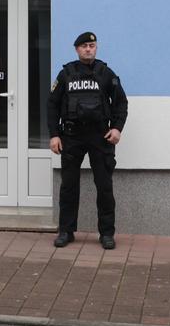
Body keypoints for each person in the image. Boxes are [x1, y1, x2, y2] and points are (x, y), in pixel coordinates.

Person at [48, 31, 128, 250]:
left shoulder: (105, 73)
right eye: (84, 46)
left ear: (96, 47)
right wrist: (54, 134)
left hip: (100, 137)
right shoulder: (66, 74)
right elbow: (52, 105)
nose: (88, 49)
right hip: (72, 137)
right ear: (77, 49)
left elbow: (121, 103)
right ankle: (66, 231)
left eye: (92, 45)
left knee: (104, 187)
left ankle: (107, 233)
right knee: (69, 187)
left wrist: (117, 129)